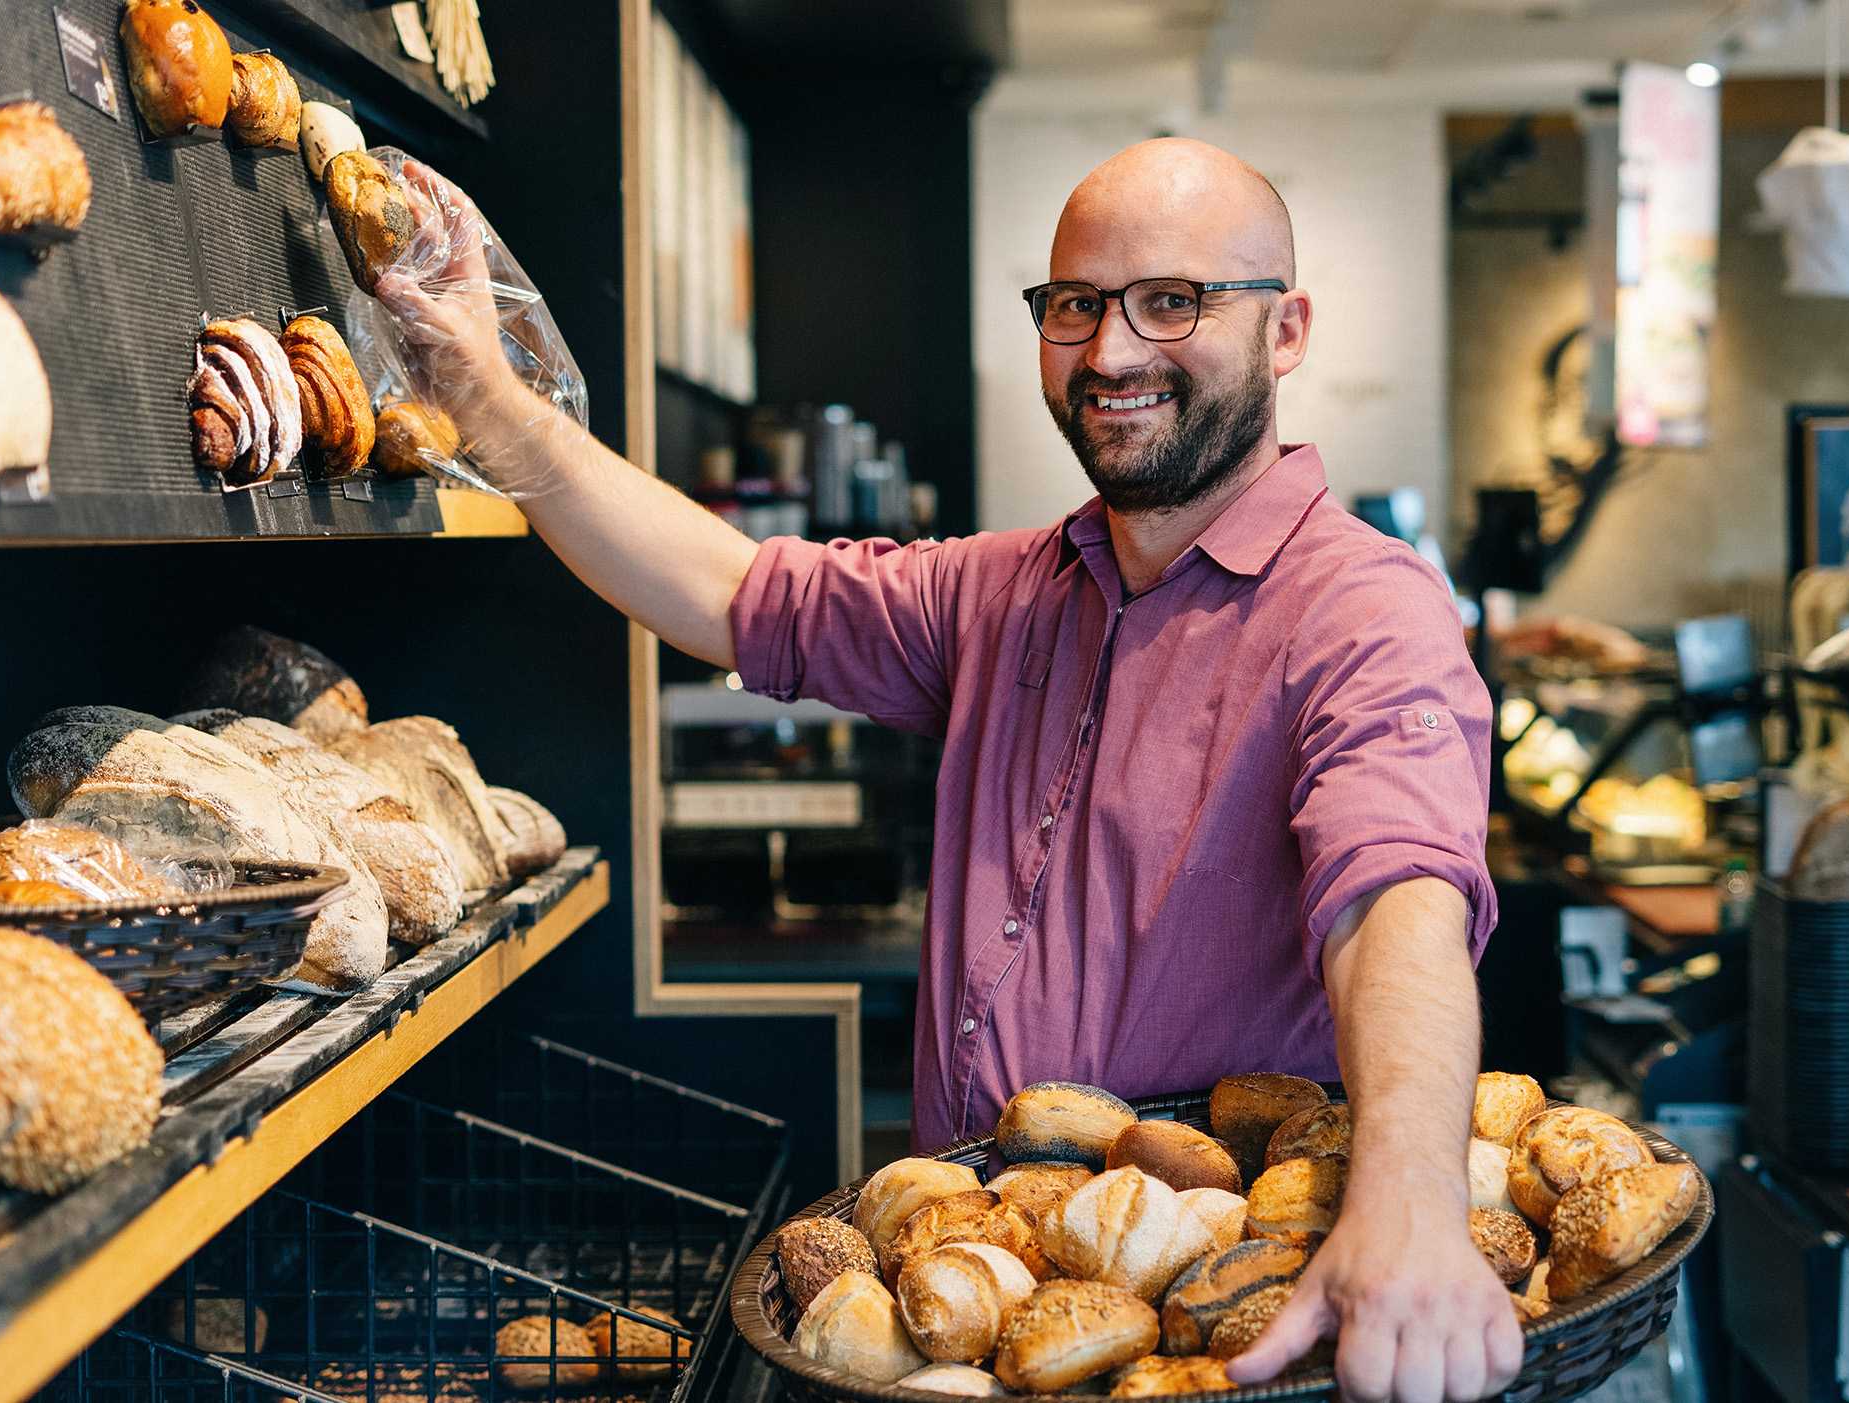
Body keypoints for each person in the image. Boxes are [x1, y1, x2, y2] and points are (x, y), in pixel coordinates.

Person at [376, 137, 1522, 1403]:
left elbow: (1397, 898)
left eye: (1171, 301)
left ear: (1286, 329)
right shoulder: (1005, 591)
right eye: (1074, 305)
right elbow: (730, 592)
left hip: (1210, 1328)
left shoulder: (1363, 607)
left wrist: (1410, 1198)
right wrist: (487, 398)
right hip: (984, 1297)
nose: (1110, 353)